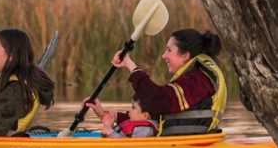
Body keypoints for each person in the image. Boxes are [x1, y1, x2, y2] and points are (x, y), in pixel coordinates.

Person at [87, 28, 227, 136]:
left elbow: (156, 100)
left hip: (191, 145)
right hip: (181, 143)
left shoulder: (198, 80)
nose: (163, 55)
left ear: (185, 55)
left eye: (169, 50)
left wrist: (130, 64)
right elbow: (151, 116)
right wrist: (108, 115)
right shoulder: (194, 78)